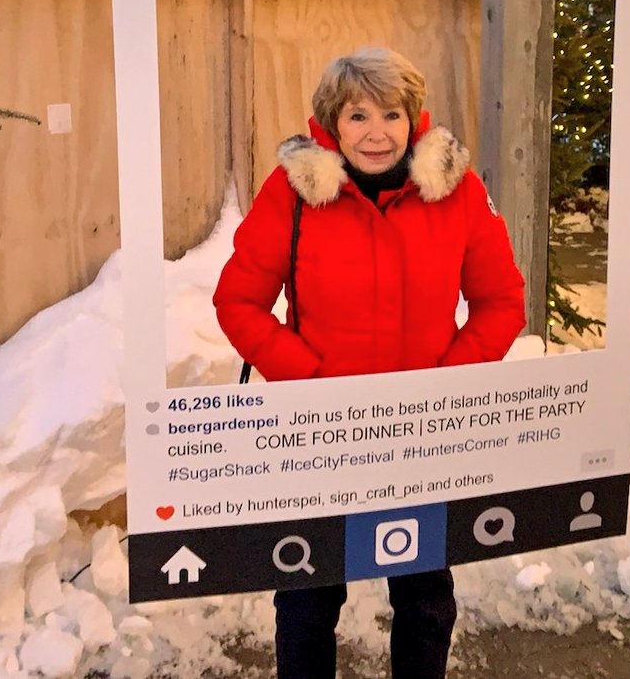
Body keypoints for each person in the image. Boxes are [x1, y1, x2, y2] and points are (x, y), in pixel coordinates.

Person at [213, 47, 526, 679]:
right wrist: (310, 383)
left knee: (425, 598)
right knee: (307, 597)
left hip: (422, 438)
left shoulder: (458, 192)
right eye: (358, 115)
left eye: (391, 113)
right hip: (321, 438)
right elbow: (239, 302)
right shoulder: (295, 192)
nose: (376, 132)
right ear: (331, 122)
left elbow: (502, 302)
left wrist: (446, 384)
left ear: (415, 119)